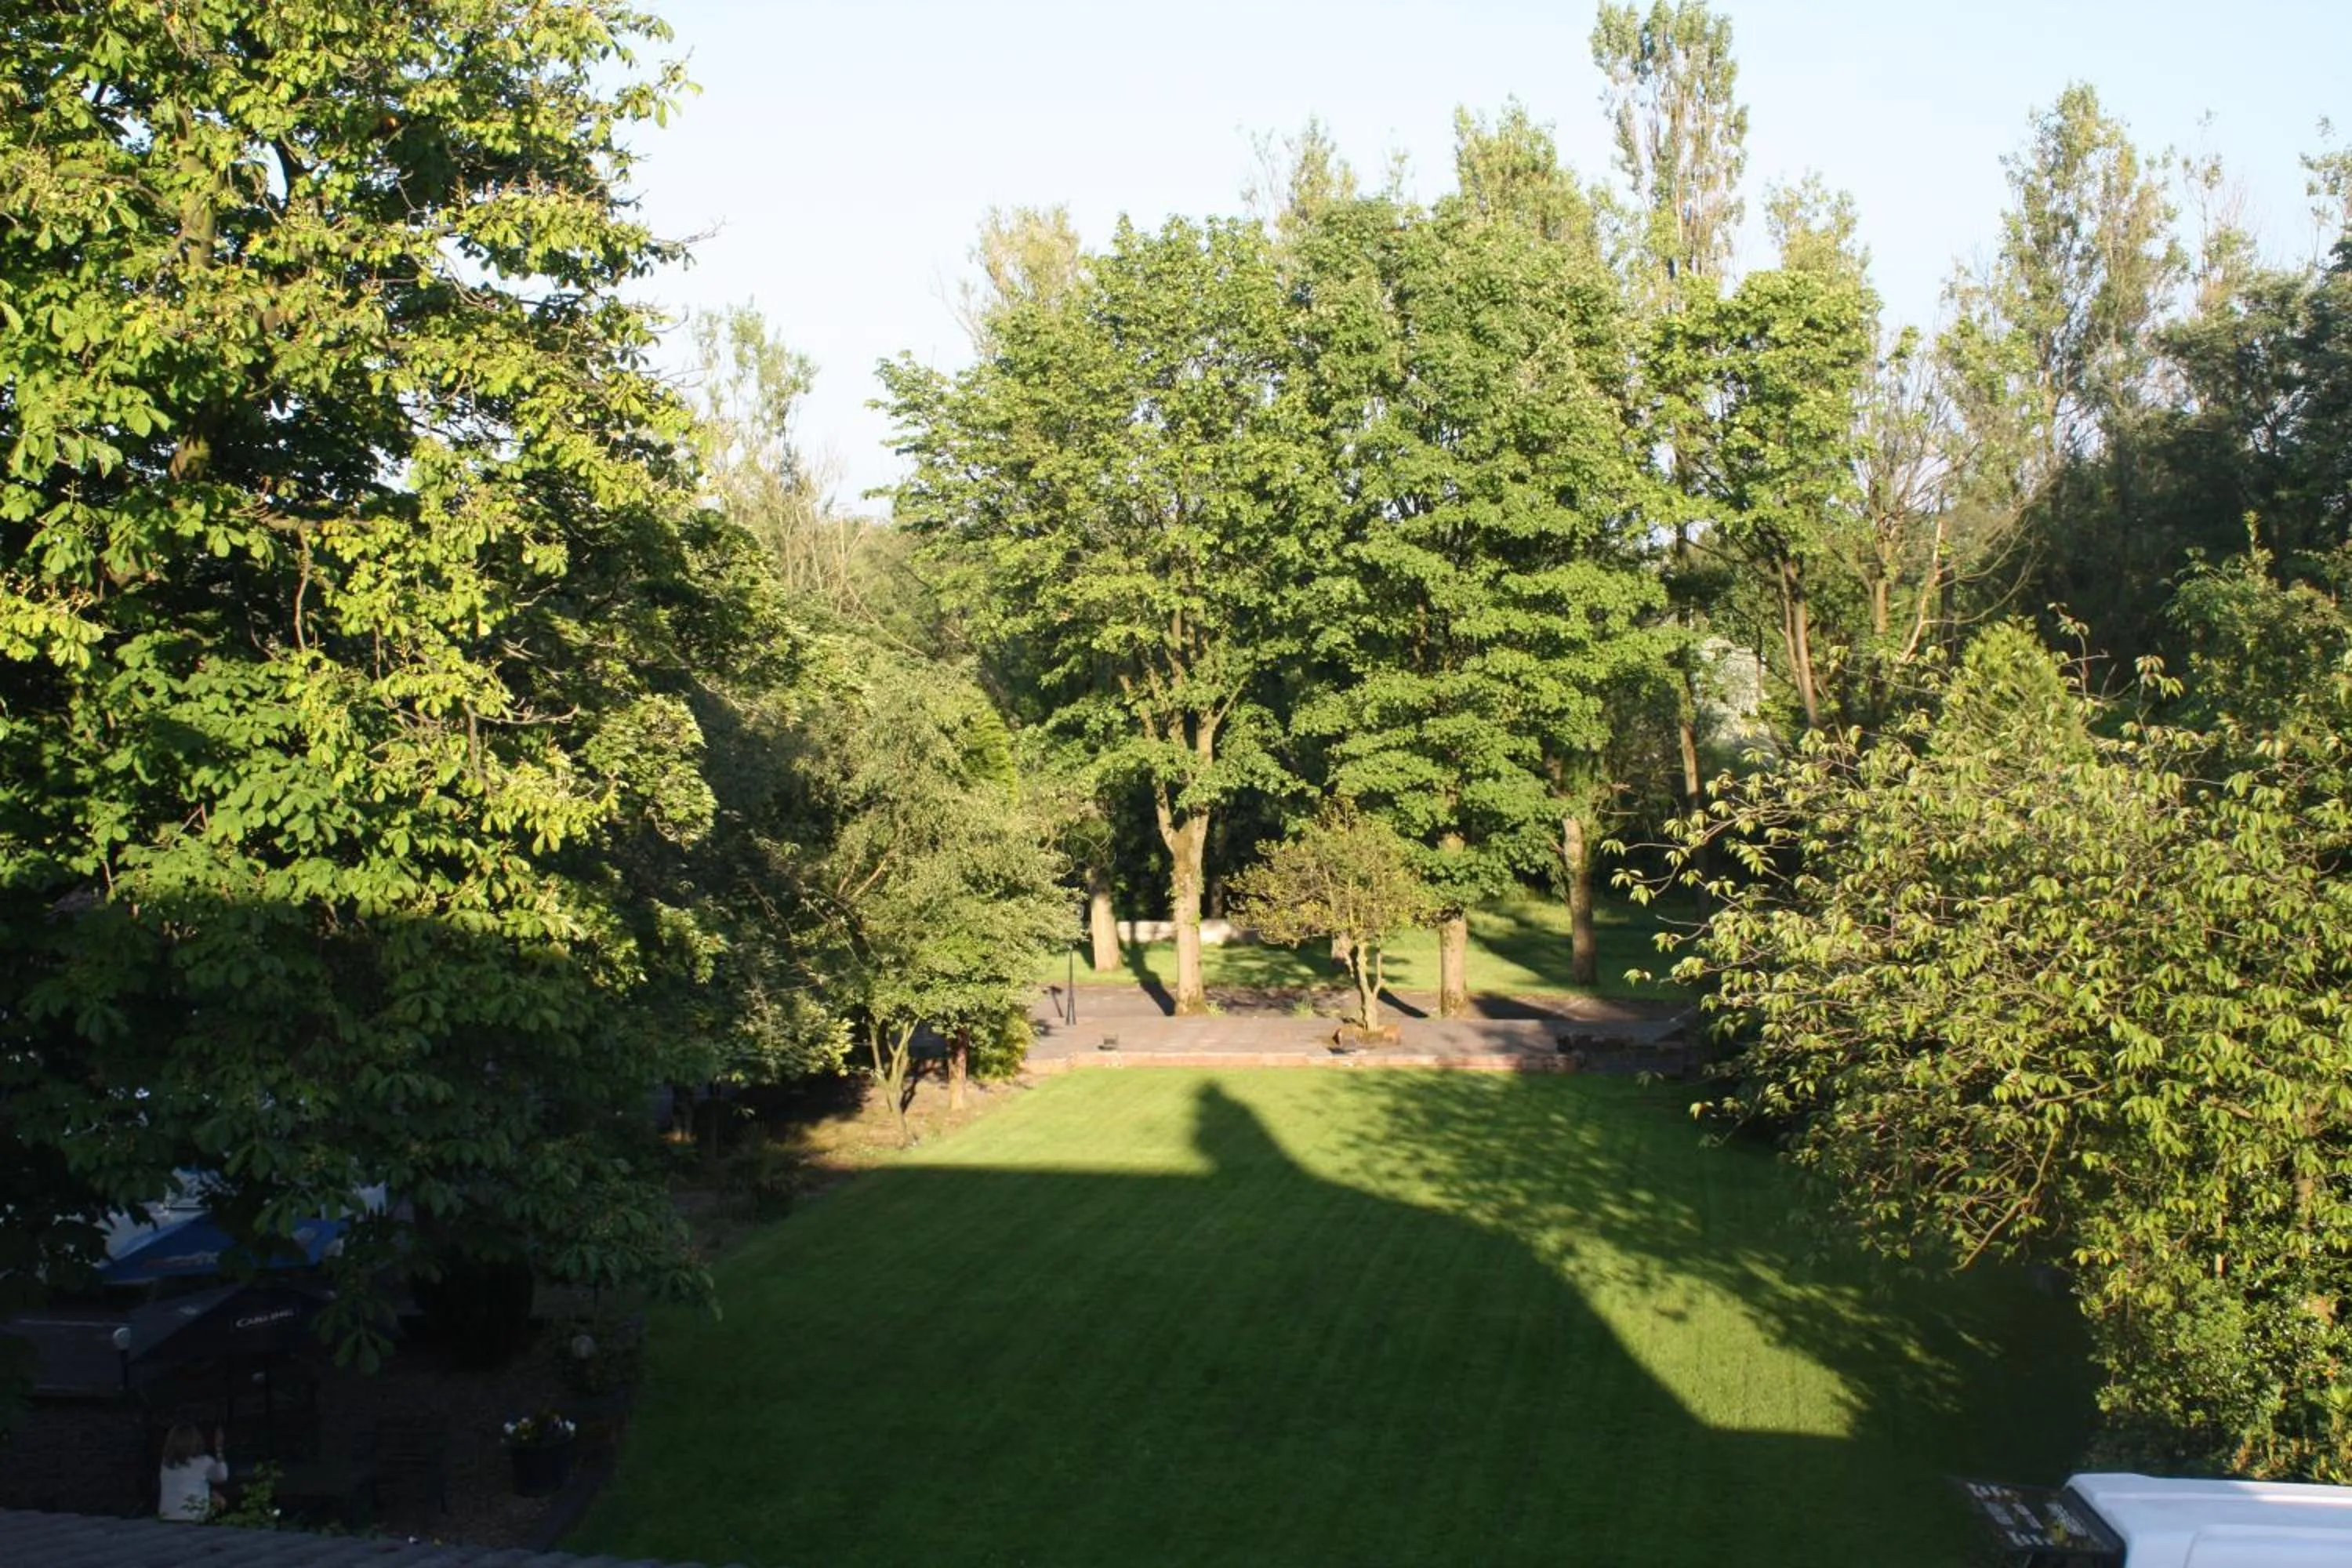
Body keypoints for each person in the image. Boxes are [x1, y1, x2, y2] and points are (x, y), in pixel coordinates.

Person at [157, 1424, 228, 1522]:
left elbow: (185, 1485)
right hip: (193, 1518)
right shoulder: (204, 1462)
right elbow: (222, 1476)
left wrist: (210, 1493)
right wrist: (219, 1449)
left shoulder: (166, 1464)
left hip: (167, 1516)